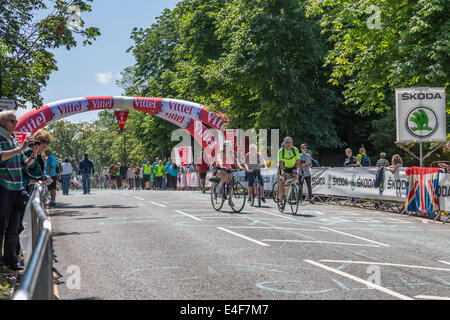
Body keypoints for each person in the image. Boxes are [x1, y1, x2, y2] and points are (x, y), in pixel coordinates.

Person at [0, 110, 36, 271]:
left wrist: (32, 155)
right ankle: (3, 261)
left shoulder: (13, 138)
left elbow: (24, 163)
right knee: (2, 225)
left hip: (17, 187)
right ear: (3, 122)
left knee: (17, 224)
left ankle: (11, 258)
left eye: (15, 121)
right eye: (12, 121)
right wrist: (21, 147)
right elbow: (1, 156)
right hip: (4, 186)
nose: (15, 124)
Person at [22, 129, 51, 195]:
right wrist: (44, 177)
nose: (45, 145)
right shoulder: (29, 152)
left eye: (48, 142)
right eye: (42, 141)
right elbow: (24, 171)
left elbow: (37, 173)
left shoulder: (39, 155)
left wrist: (44, 177)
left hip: (29, 189)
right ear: (36, 141)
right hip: (22, 189)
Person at [277, 136, 301, 202]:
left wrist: (301, 169)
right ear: (284, 144)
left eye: (289, 142)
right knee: (282, 183)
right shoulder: (281, 151)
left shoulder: (295, 150)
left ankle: (293, 188)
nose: (288, 144)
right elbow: (281, 162)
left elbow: (298, 160)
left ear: (292, 143)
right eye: (286, 143)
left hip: (292, 167)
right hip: (284, 168)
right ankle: (280, 200)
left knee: (296, 176)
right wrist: (282, 171)